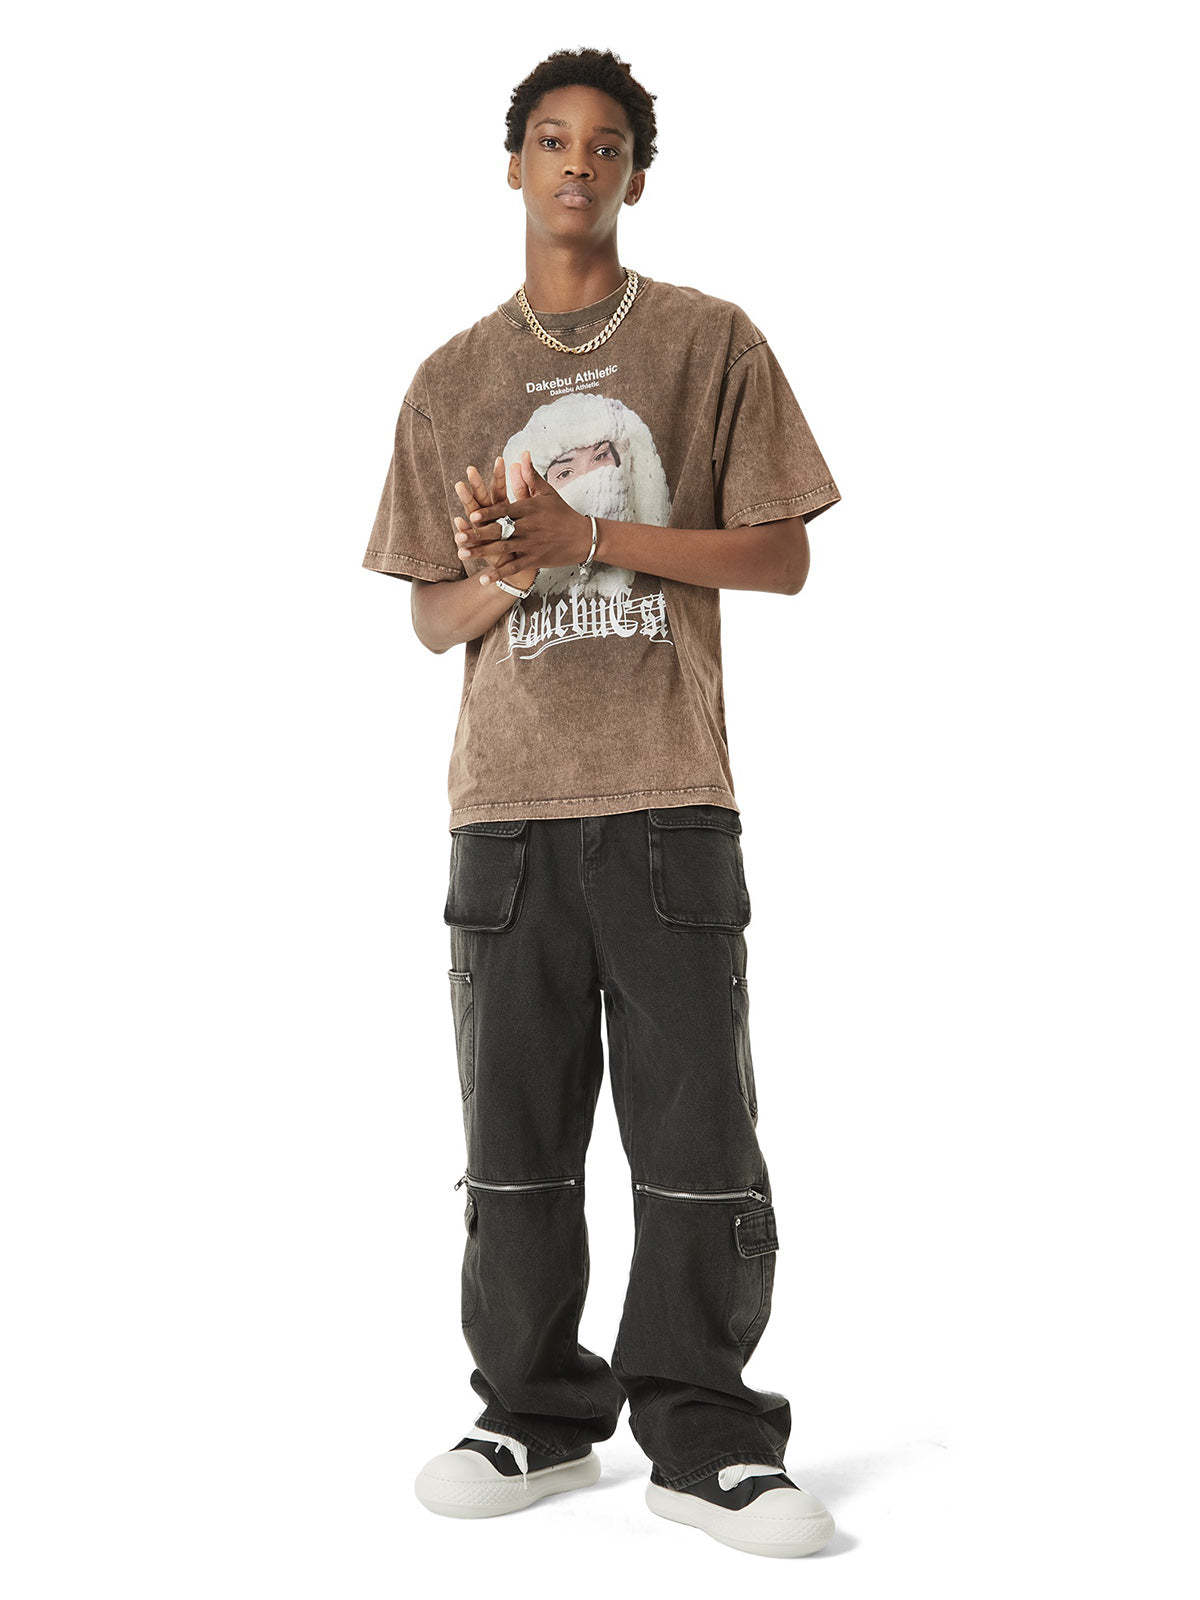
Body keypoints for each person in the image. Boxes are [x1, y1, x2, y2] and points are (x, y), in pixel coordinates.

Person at [363, 46, 842, 1559]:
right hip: (503, 814)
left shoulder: (709, 343)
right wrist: (509, 568)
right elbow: (430, 618)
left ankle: (708, 1437)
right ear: (513, 163)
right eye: (553, 139)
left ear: (638, 173)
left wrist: (593, 536)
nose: (579, 162)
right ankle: (533, 1413)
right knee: (514, 1143)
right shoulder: (449, 380)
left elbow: (782, 557)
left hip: (666, 795)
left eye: (609, 143)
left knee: (697, 1134)